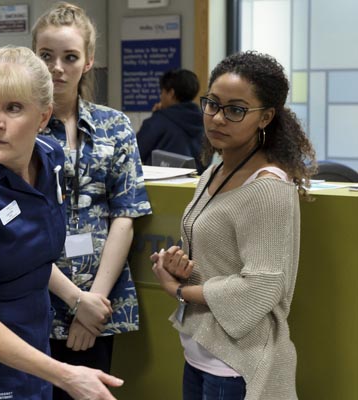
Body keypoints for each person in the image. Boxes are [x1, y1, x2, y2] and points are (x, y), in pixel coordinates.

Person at [0, 46, 122, 399]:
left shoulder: (50, 159)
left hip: (31, 360)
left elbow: (29, 253)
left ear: (43, 117)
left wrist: (76, 299)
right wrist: (67, 376)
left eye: (13, 108)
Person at [150, 51, 317, 400]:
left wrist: (178, 291)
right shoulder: (214, 171)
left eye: (235, 110)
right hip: (200, 354)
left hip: (236, 366)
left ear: (265, 117)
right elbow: (219, 260)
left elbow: (261, 286)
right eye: (212, 104)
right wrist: (180, 267)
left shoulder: (268, 188)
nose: (217, 118)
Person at [32, 3, 152, 398]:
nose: (56, 68)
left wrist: (90, 305)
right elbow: (15, 230)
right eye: (46, 56)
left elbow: (125, 216)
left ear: (88, 61)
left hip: (100, 301)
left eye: (70, 57)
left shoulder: (114, 126)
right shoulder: (18, 126)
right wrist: (74, 300)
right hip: (35, 298)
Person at [136, 68, 205, 172]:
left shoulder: (158, 121)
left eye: (162, 92)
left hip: (162, 181)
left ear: (171, 93)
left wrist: (155, 116)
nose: (161, 97)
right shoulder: (204, 122)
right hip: (196, 181)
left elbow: (136, 153)